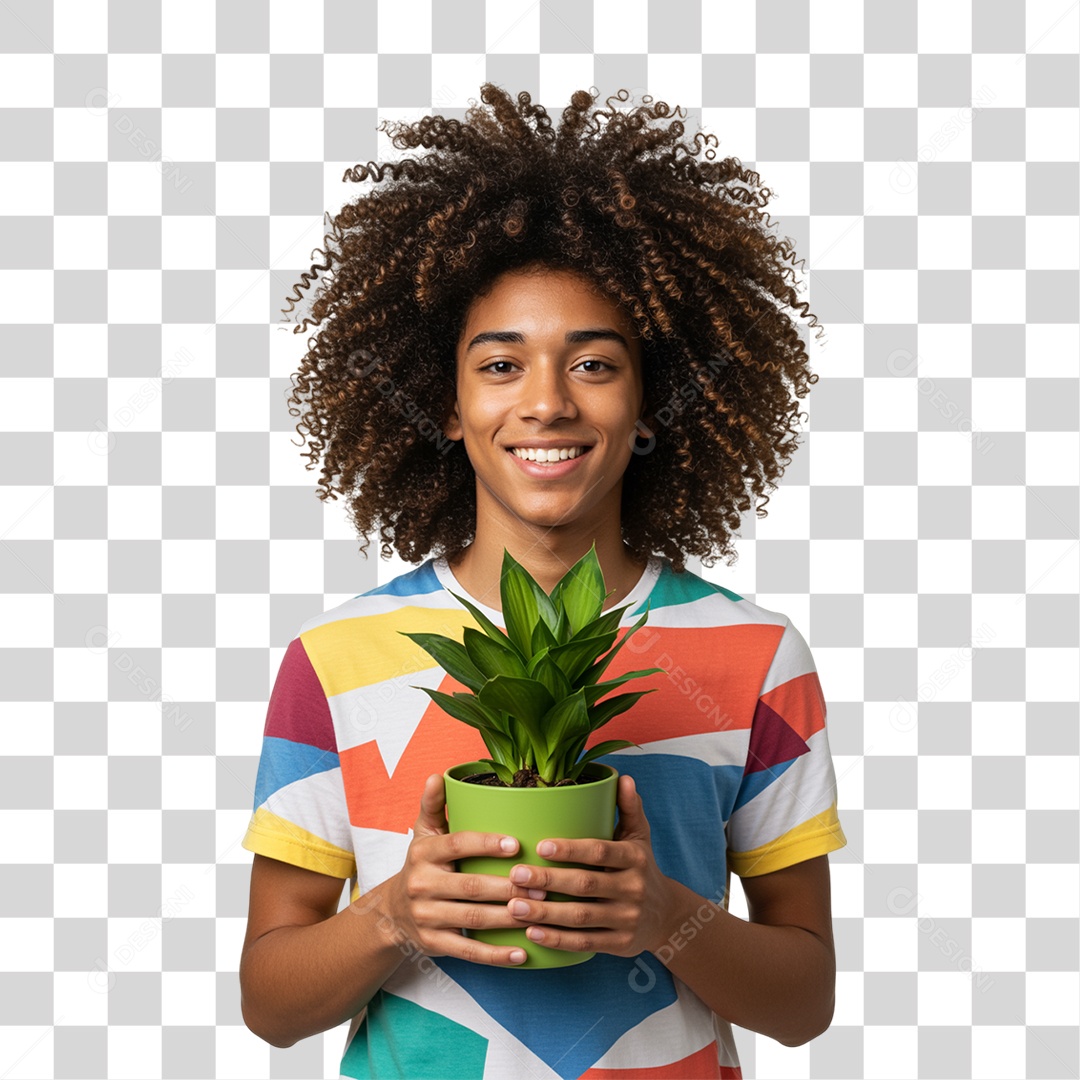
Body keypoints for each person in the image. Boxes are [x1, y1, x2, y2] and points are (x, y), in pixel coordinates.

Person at [239, 83, 847, 1079]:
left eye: (596, 365)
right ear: (448, 406)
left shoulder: (756, 656)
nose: (548, 403)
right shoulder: (334, 660)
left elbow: (805, 1002)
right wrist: (396, 913)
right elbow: (270, 1003)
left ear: (649, 406)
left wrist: (667, 917)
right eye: (501, 366)